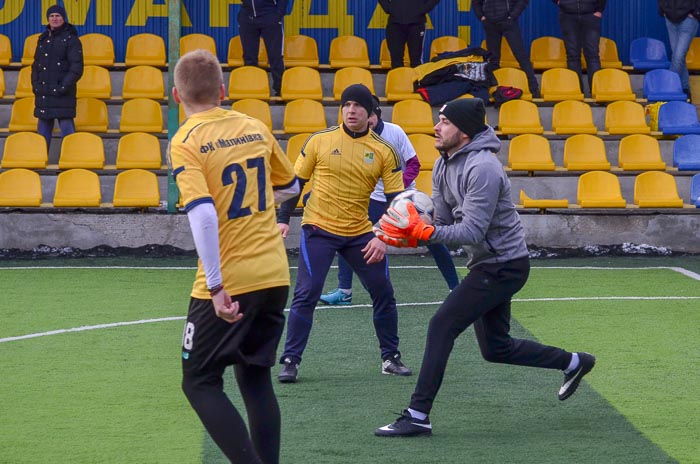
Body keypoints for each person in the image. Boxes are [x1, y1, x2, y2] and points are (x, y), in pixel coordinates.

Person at [373, 98, 595, 437]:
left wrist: (425, 232)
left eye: (445, 122)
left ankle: (418, 414)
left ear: (463, 132)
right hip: (487, 264)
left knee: (441, 324)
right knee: (496, 348)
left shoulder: (483, 168)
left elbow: (472, 231)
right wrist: (415, 234)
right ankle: (575, 362)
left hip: (504, 266)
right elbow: (444, 223)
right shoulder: (444, 164)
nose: (436, 126)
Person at [169, 49, 299, 463]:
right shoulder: (254, 126)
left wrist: (216, 285)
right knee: (255, 377)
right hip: (274, 273)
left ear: (176, 95)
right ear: (222, 91)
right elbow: (291, 186)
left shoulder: (186, 140)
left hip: (232, 278)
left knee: (200, 381)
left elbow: (204, 214)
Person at [276, 84, 412, 383]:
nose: (351, 111)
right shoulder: (319, 141)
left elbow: (396, 202)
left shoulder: (385, 151)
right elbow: (294, 184)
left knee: (384, 293)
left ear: (371, 113)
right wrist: (283, 218)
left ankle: (390, 358)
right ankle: (290, 360)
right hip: (319, 230)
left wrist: (382, 236)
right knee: (306, 294)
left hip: (360, 233)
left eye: (358, 106)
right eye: (346, 105)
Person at [320, 95, 460, 306]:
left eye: (370, 116)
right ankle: (344, 291)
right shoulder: (352, 137)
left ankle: (455, 289)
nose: (366, 121)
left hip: (403, 196)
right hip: (373, 199)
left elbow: (414, 164)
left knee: (432, 240)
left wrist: (396, 185)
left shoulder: (394, 132)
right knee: (347, 236)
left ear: (375, 115)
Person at [31, 4, 83, 152]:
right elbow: (36, 66)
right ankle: (41, 159)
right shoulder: (42, 39)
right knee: (42, 133)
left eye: (58, 16)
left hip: (63, 95)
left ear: (63, 18)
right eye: (51, 16)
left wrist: (62, 87)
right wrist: (35, 85)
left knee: (67, 131)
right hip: (44, 95)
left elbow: (76, 68)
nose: (54, 19)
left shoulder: (71, 40)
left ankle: (72, 159)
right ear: (48, 19)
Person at [473, 0, 540, 98]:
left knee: (521, 56)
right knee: (493, 59)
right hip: (490, 24)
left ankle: (534, 90)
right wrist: (481, 16)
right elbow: (475, 2)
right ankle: (494, 91)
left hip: (508, 22)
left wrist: (512, 16)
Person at [554, 0, 606, 96]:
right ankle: (576, 91)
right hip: (567, 16)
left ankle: (596, 92)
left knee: (592, 55)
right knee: (572, 55)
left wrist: (599, 10)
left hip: (590, 15)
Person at [238, 0, 288, 96]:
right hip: (247, 17)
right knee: (249, 57)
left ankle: (280, 90)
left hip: (269, 16)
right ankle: (252, 89)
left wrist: (278, 14)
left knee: (275, 56)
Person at [378, 0, 440, 68]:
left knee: (416, 60)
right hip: (395, 24)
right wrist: (389, 8)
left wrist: (423, 9)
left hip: (417, 24)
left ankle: (415, 79)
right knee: (396, 60)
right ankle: (398, 78)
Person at [658, 0, 700, 96]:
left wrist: (696, 13)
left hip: (689, 20)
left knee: (678, 57)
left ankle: (669, 90)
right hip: (670, 19)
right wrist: (663, 10)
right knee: (678, 57)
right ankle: (685, 89)